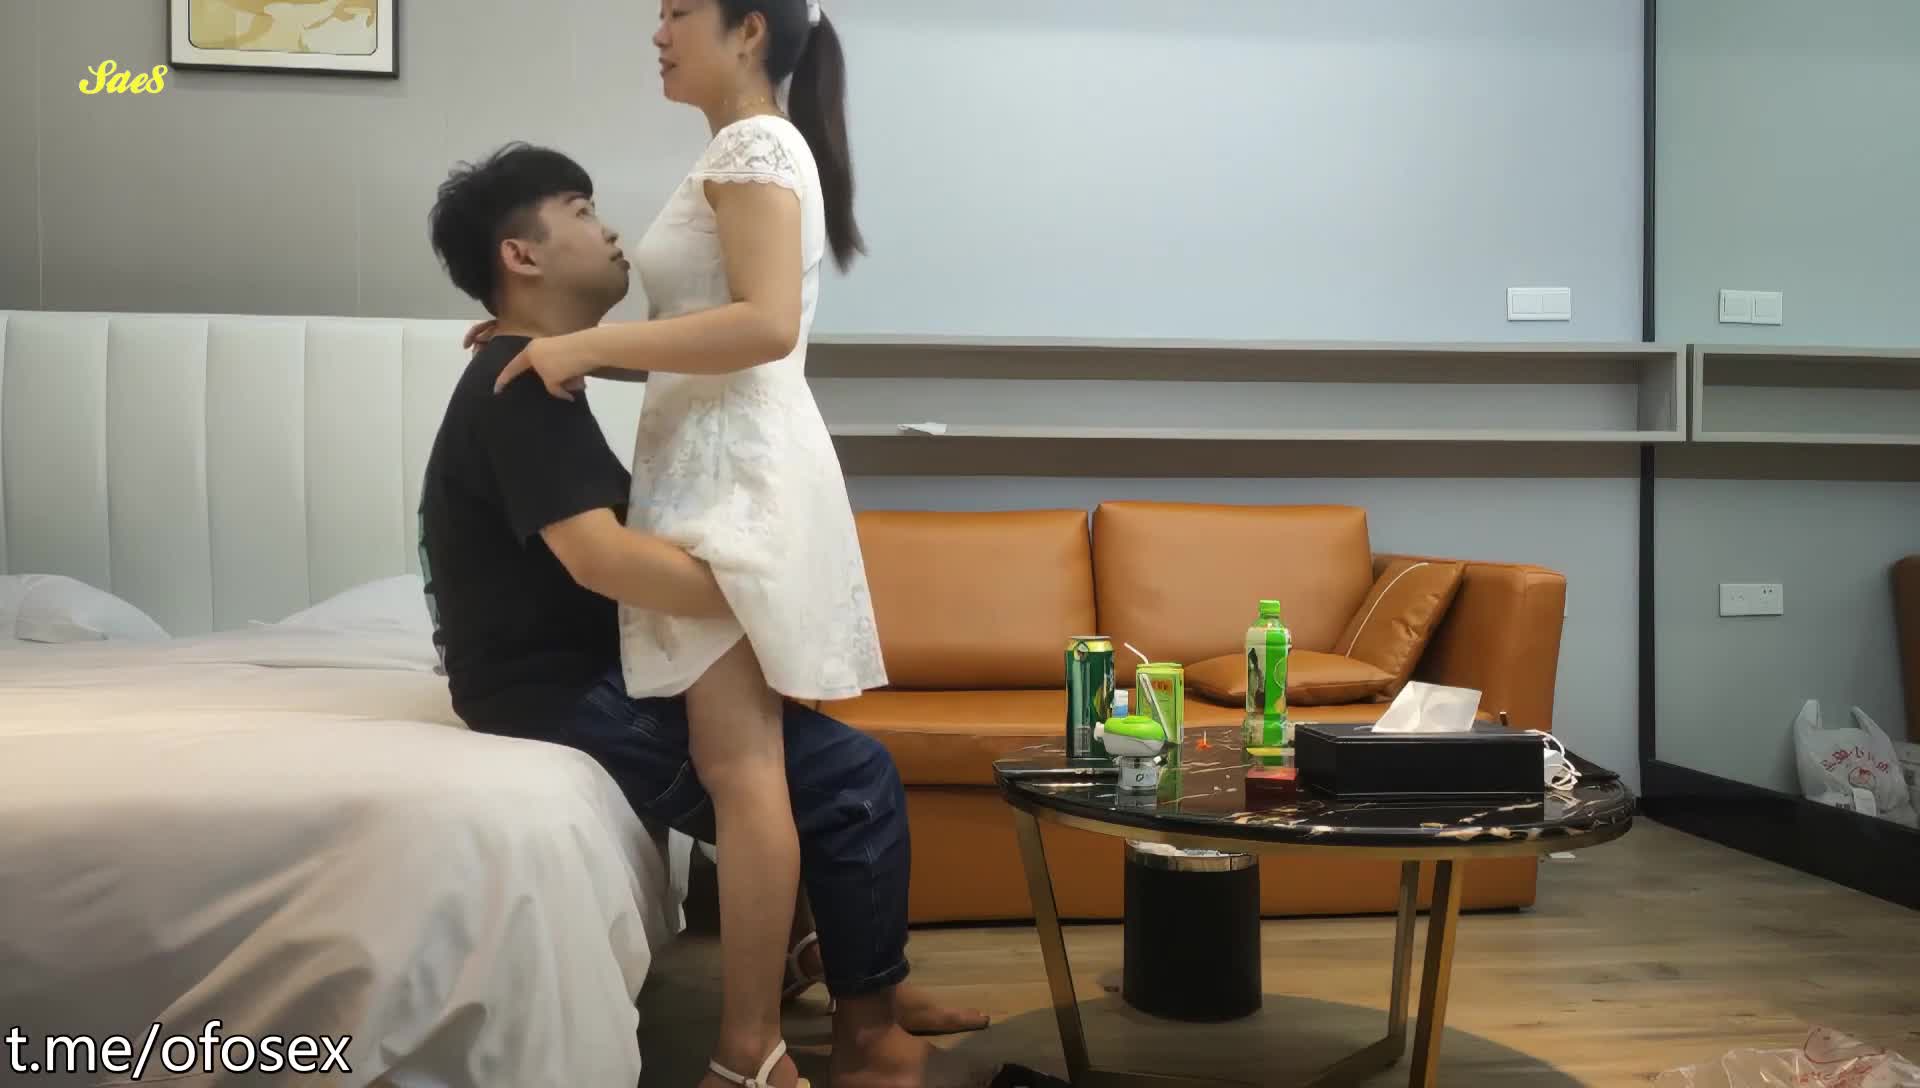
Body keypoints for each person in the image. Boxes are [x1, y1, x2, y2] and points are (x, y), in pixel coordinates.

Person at [421, 143, 995, 1088]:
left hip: (563, 670)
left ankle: (861, 984)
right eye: (581, 210)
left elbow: (675, 365)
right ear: (521, 254)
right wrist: (766, 590)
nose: (610, 230)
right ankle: (861, 1032)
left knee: (805, 749)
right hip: (549, 690)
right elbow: (600, 558)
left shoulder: (531, 369)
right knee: (851, 780)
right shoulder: (517, 387)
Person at [482, 5, 888, 1085]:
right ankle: (776, 1025)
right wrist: (552, 344)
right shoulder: (739, 147)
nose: (657, 30)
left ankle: (750, 1051)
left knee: (741, 771)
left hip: (734, 476)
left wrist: (583, 343)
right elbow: (704, 337)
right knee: (745, 767)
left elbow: (764, 325)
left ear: (748, 30)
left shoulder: (755, 145)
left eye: (677, 11)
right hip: (716, 464)